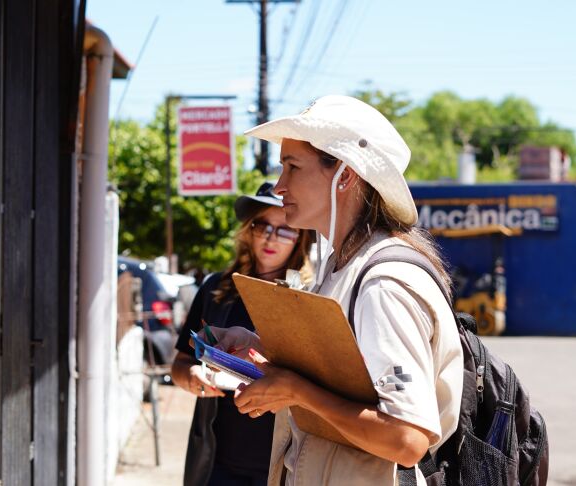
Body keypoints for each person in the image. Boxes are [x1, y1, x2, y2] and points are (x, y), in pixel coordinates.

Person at [212, 95, 464, 485]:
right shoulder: (341, 265)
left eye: (293, 167)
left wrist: (296, 390)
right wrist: (260, 348)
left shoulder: (385, 284)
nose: (279, 186)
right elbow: (346, 376)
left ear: (344, 175)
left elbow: (406, 439)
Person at [171, 182, 314, 486]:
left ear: (300, 237)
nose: (271, 238)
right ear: (249, 229)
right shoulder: (215, 289)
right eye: (263, 226)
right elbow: (179, 364)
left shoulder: (310, 297)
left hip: (284, 463)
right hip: (217, 461)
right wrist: (192, 378)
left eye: (285, 229)